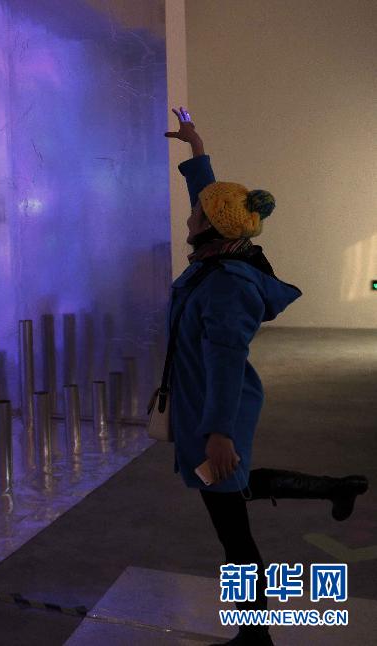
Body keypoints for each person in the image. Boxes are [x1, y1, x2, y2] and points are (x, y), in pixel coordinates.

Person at [164, 106, 368, 646]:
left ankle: (254, 637)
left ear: (211, 226)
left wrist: (218, 432)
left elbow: (226, 361)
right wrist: (196, 149)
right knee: (232, 491)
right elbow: (211, 201)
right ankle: (337, 488)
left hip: (218, 411)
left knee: (234, 533)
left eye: (197, 212)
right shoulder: (224, 252)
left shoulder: (227, 284)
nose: (190, 214)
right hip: (209, 407)